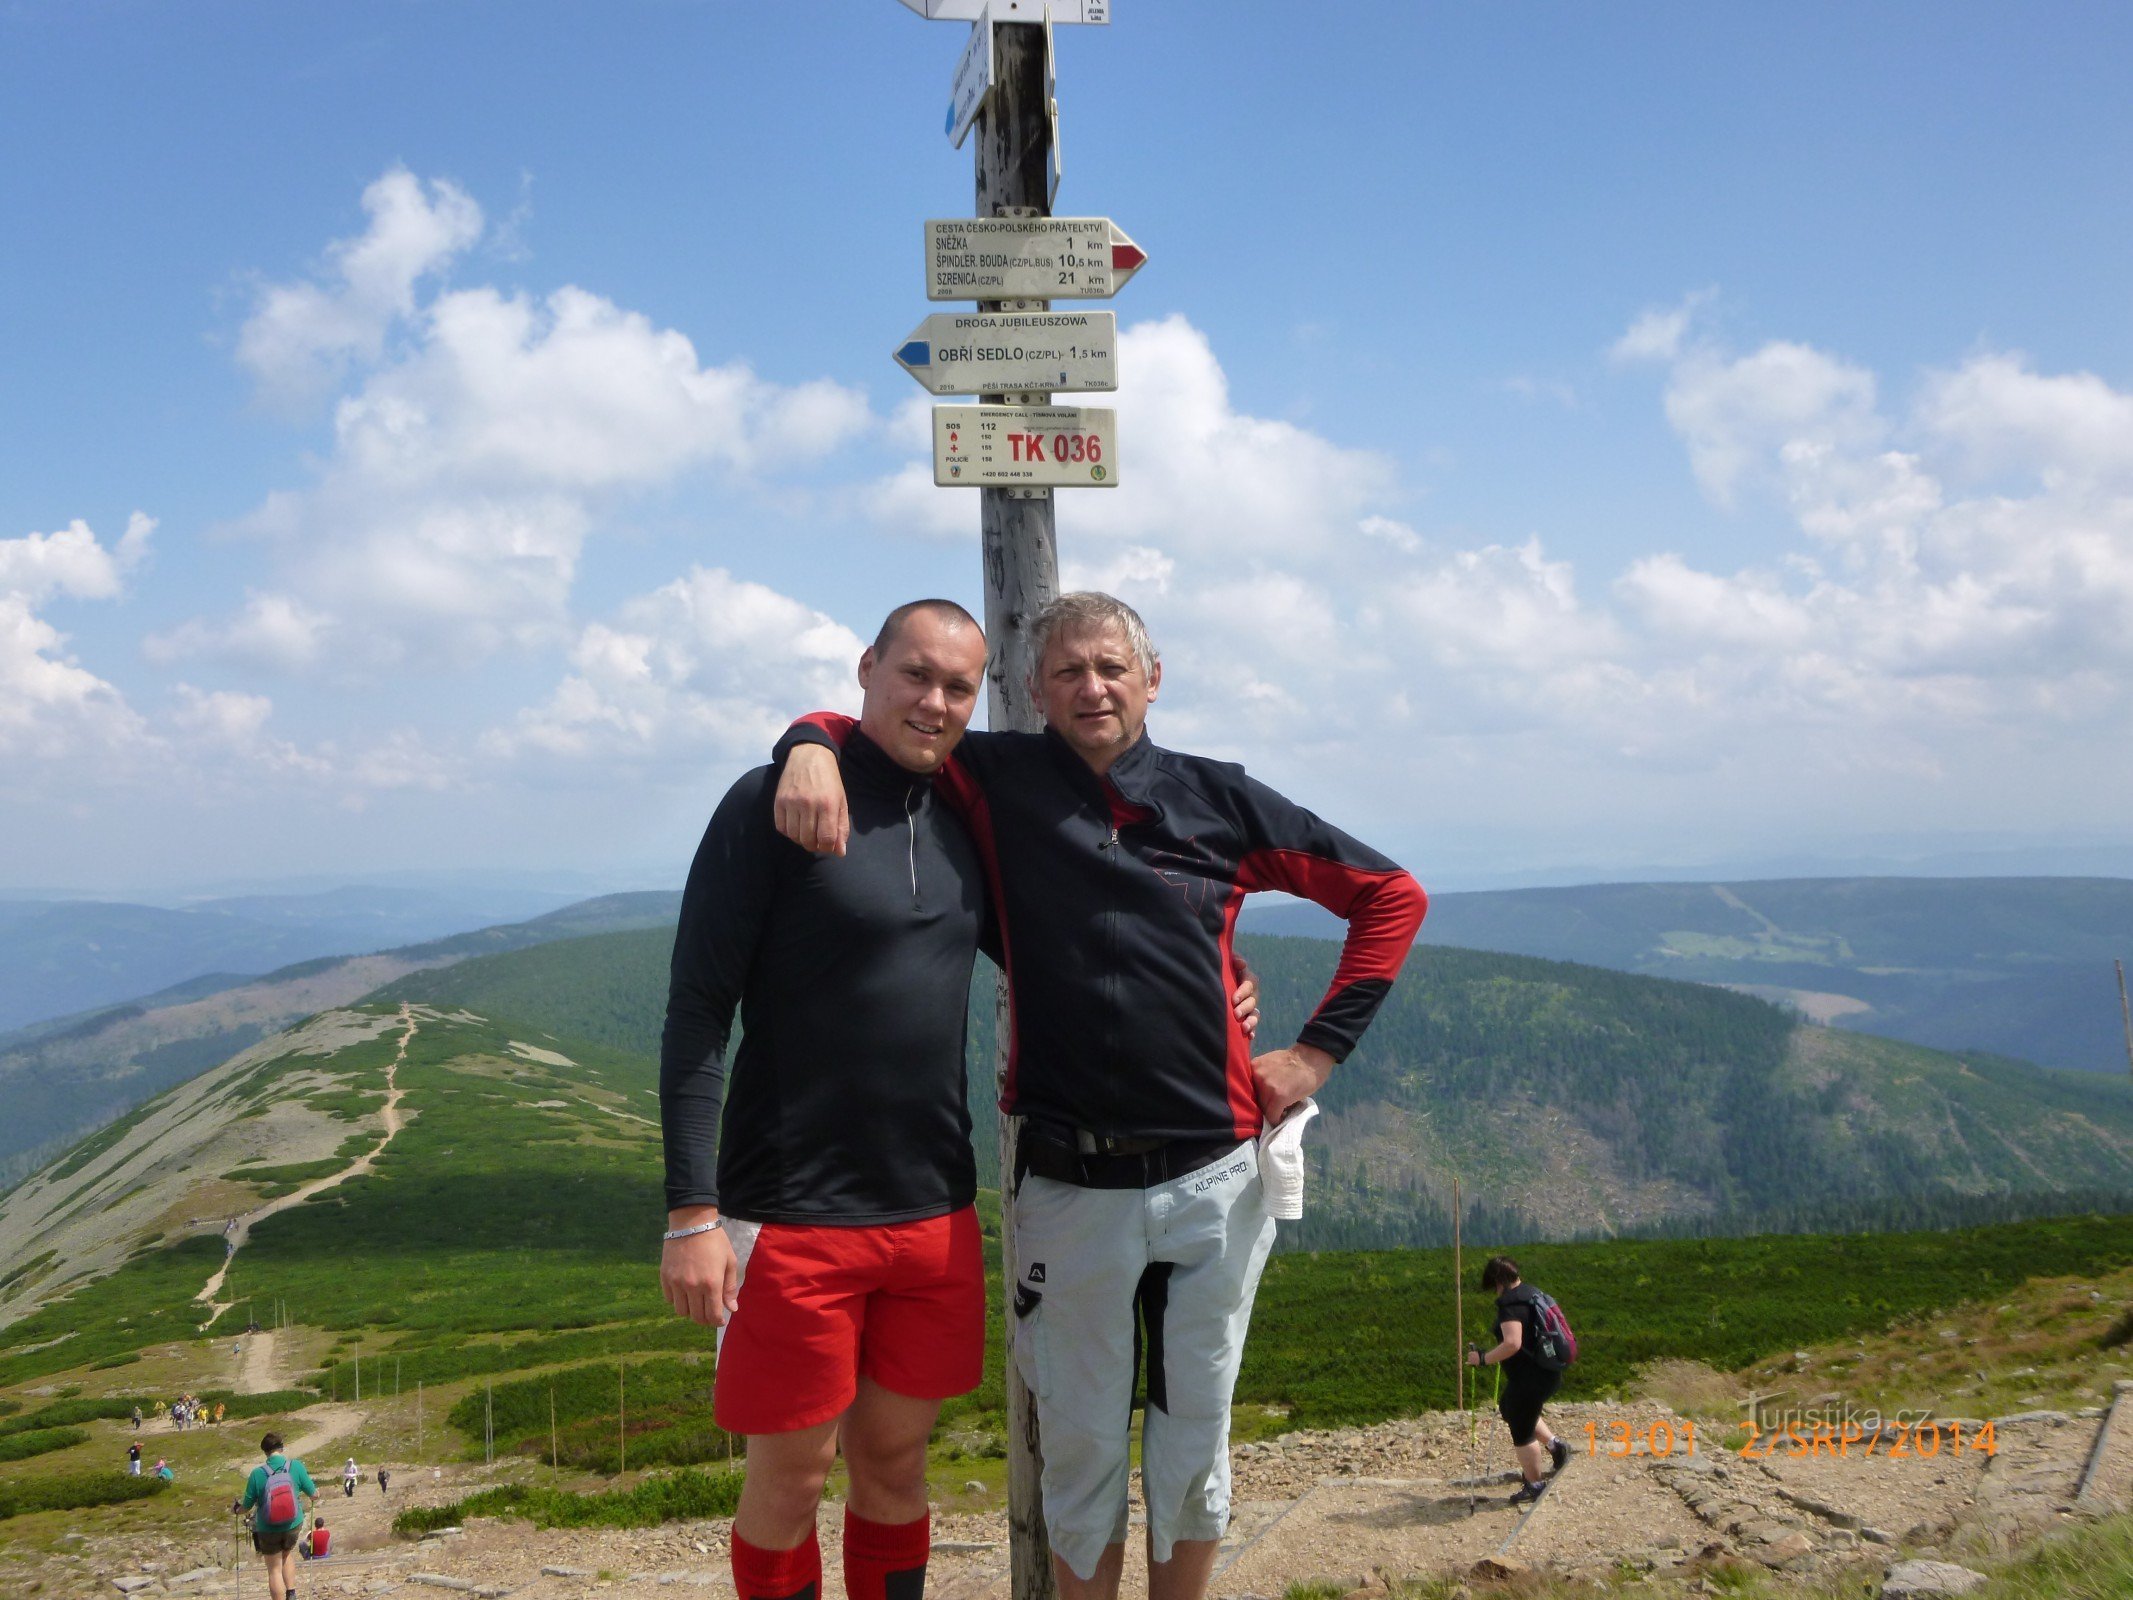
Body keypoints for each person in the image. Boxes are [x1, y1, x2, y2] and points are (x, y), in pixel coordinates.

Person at [773, 591, 1427, 1600]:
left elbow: (1390, 895)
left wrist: (1314, 1056)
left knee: (1193, 1439)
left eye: (1113, 667)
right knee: (1078, 1449)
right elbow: (877, 730)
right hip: (1072, 1183)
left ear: (1152, 680)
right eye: (1069, 670)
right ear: (1033, 691)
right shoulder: (997, 781)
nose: (1092, 686)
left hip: (1216, 1179)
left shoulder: (1220, 796)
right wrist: (805, 743)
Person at [662, 598, 1267, 1600]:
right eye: (915, 675)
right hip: (788, 1207)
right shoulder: (772, 801)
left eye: (959, 686)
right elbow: (694, 1014)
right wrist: (692, 1210)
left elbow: (1072, 945)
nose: (935, 701)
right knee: (790, 1478)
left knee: (897, 1467)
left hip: (932, 1211)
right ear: (867, 669)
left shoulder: (964, 816)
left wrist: (1215, 975)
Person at [1466, 1256, 1569, 1506]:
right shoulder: (1532, 1293)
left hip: (1530, 1378)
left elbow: (1512, 1343)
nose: (1495, 1291)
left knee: (1521, 1429)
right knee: (1510, 1408)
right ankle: (1556, 1447)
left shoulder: (1510, 1304)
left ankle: (1535, 1485)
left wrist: (1483, 1359)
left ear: (1499, 1281)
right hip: (1546, 1373)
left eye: (1493, 1285)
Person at [234, 1431, 317, 1600]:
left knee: (274, 1569)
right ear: (282, 1448)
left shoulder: (257, 1474)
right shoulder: (296, 1466)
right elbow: (313, 1494)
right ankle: (291, 1593)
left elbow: (247, 1506)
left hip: (268, 1527)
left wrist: (236, 1510)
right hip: (293, 1524)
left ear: (265, 1452)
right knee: (286, 1554)